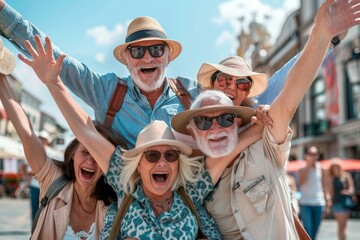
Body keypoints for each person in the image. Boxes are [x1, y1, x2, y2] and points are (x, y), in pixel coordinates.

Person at [16, 36, 257, 239]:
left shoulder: (191, 190)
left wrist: (262, 118)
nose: (161, 162)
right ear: (138, 164)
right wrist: (53, 83)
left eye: (170, 155)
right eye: (152, 154)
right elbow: (85, 131)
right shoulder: (126, 186)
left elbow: (239, 140)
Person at [171, 1, 360, 238]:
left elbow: (289, 84)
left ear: (248, 91)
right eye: (224, 80)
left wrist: (325, 38)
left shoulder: (264, 120)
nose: (232, 87)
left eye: (241, 83)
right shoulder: (197, 152)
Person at [0, 1, 301, 149]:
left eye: (157, 50)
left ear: (169, 57)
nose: (148, 57)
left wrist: (323, 39)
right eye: (138, 51)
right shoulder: (107, 92)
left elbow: (266, 90)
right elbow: (51, 55)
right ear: (127, 59)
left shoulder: (191, 95)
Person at [0, 38, 125, 239]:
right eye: (85, 152)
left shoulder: (114, 204)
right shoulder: (53, 178)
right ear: (73, 154)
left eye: (97, 156)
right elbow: (26, 133)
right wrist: (1, 76)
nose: (90, 161)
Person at [298, 145, 328, 239]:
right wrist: (308, 166)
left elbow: (324, 185)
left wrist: (328, 201)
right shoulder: (302, 168)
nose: (312, 156)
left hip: (319, 202)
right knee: (308, 231)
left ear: (317, 155)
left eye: (314, 154)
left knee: (315, 232)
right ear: (306, 155)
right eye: (310, 154)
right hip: (306, 203)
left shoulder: (322, 169)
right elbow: (301, 182)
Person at [326, 158, 356, 240]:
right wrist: (328, 200)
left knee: (344, 226)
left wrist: (347, 191)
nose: (336, 168)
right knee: (340, 225)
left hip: (346, 202)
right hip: (336, 203)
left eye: (338, 166)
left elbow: (352, 188)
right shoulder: (331, 178)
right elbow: (329, 191)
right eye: (334, 167)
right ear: (332, 168)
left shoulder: (346, 176)